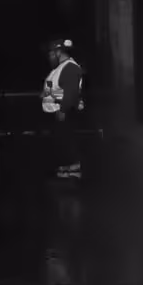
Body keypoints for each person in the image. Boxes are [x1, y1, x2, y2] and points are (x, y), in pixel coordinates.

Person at [41, 37, 85, 181]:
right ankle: (65, 170)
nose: (49, 57)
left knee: (67, 143)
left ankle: (72, 172)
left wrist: (63, 110)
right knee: (61, 143)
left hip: (64, 114)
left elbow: (70, 92)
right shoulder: (59, 68)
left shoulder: (70, 67)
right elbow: (55, 88)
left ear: (58, 52)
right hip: (57, 114)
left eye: (51, 53)